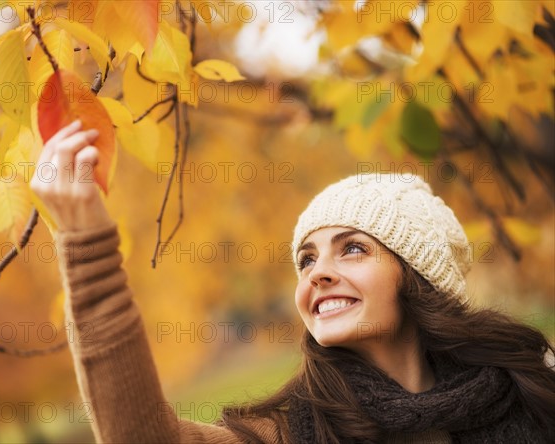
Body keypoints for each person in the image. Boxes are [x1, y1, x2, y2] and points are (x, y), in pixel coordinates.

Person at [31, 121, 555, 443]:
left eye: (353, 248)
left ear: (418, 276)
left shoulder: (531, 390)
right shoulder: (291, 434)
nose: (318, 272)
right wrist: (88, 248)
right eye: (306, 260)